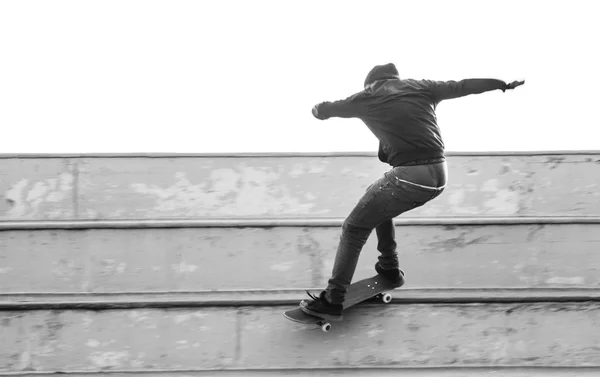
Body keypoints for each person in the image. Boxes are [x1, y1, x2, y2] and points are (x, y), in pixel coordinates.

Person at [301, 63, 525, 321]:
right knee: (375, 201)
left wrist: (318, 110)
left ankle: (333, 299)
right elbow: (463, 86)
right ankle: (390, 270)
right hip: (439, 176)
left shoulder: (368, 96)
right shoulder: (422, 87)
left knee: (353, 228)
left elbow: (326, 109)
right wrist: (501, 84)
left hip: (411, 177)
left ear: (370, 83)